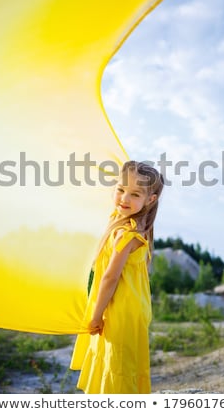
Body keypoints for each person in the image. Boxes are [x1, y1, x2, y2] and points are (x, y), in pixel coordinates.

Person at [70, 160, 164, 394]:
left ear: (149, 200)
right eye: (121, 189)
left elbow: (110, 278)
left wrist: (95, 315)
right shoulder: (126, 222)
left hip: (121, 311)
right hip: (129, 308)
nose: (124, 198)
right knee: (116, 363)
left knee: (118, 367)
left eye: (134, 194)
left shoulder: (127, 234)